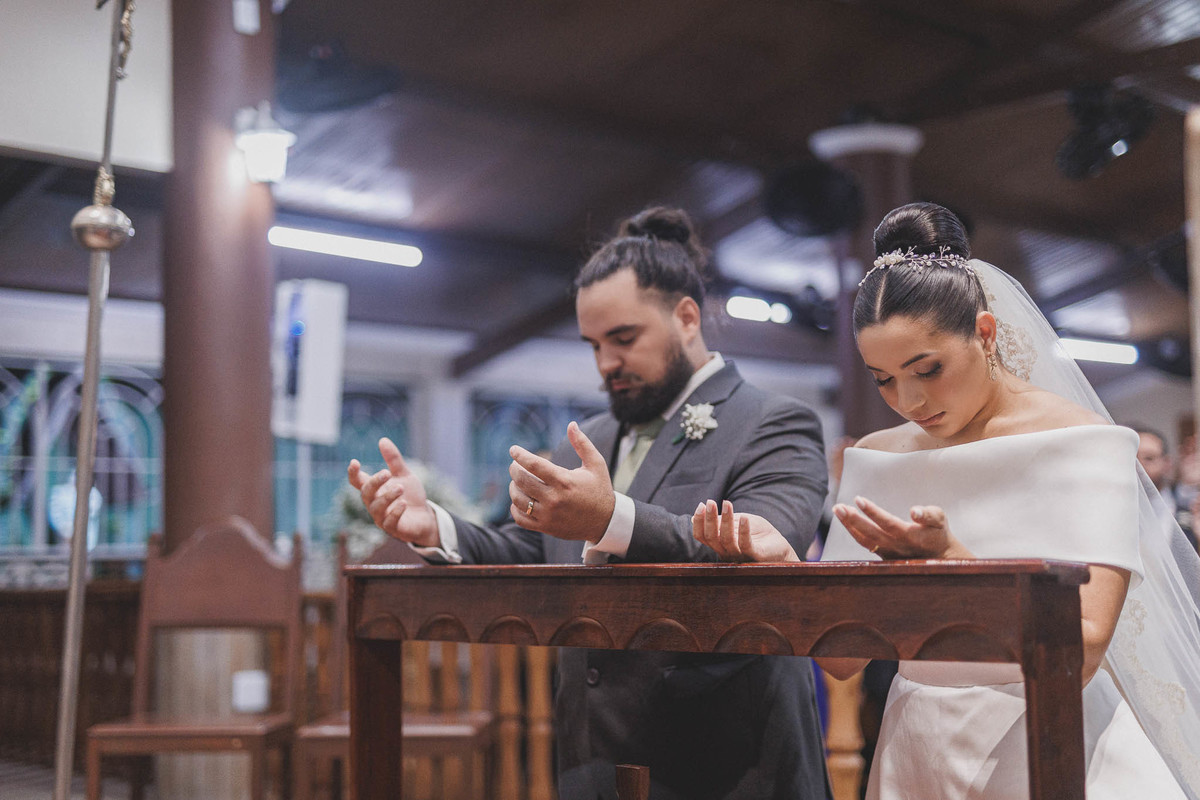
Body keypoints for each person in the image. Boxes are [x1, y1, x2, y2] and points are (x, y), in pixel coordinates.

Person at [693, 203, 1200, 800]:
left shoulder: (1082, 442)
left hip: (1047, 740)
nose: (907, 400)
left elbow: (1082, 650)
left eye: (927, 369)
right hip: (919, 744)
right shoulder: (879, 458)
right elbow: (844, 660)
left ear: (985, 333)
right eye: (882, 379)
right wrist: (785, 572)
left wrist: (952, 564)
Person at [348, 206, 832, 800]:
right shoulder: (593, 438)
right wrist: (436, 527)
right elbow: (532, 548)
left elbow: (765, 549)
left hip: (728, 758)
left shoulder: (774, 423)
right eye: (594, 344)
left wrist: (609, 518)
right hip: (592, 751)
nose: (606, 364)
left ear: (685, 317)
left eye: (623, 339)